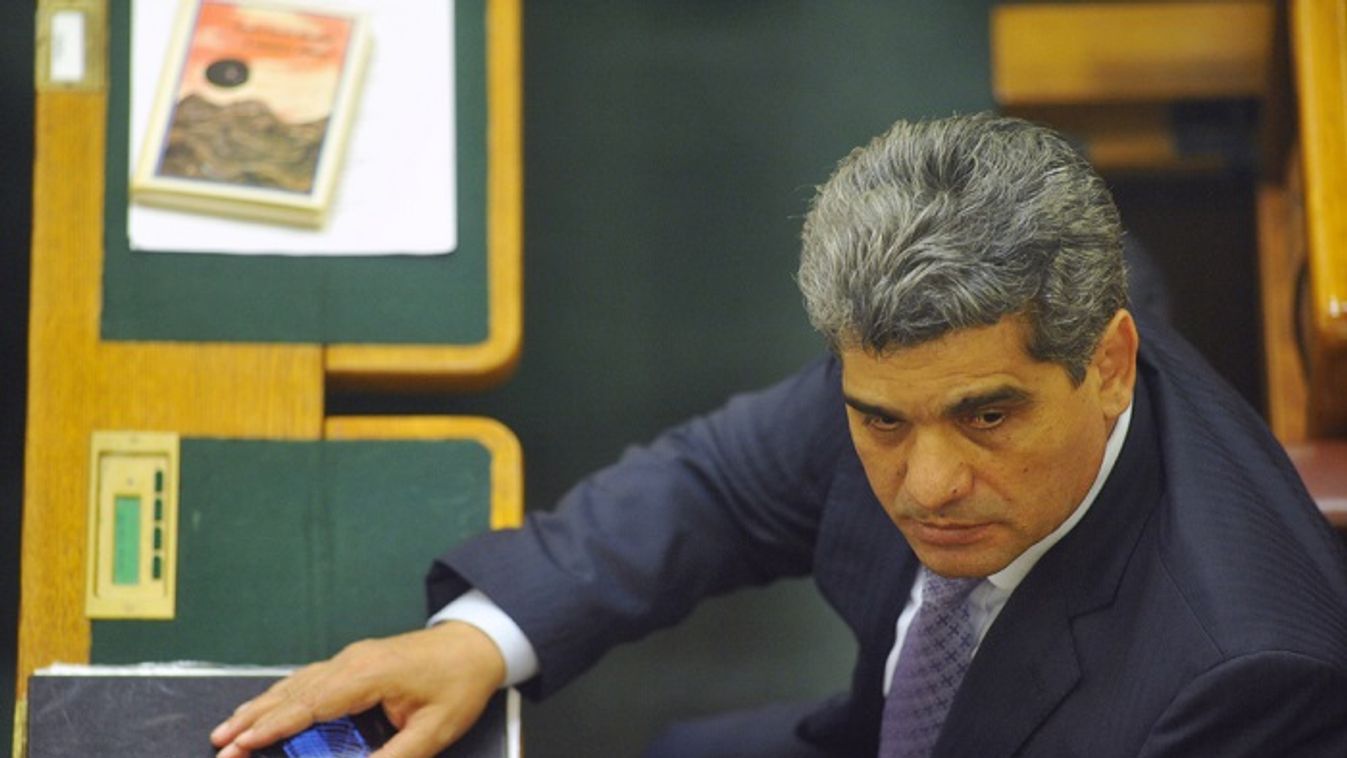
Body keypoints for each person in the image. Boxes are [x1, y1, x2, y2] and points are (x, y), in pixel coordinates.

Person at [212, 113, 1347, 758]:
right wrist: (476, 641)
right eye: (880, 420)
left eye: (988, 417)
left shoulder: (1250, 679)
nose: (928, 483)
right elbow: (717, 486)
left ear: (1108, 364)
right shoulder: (920, 354)